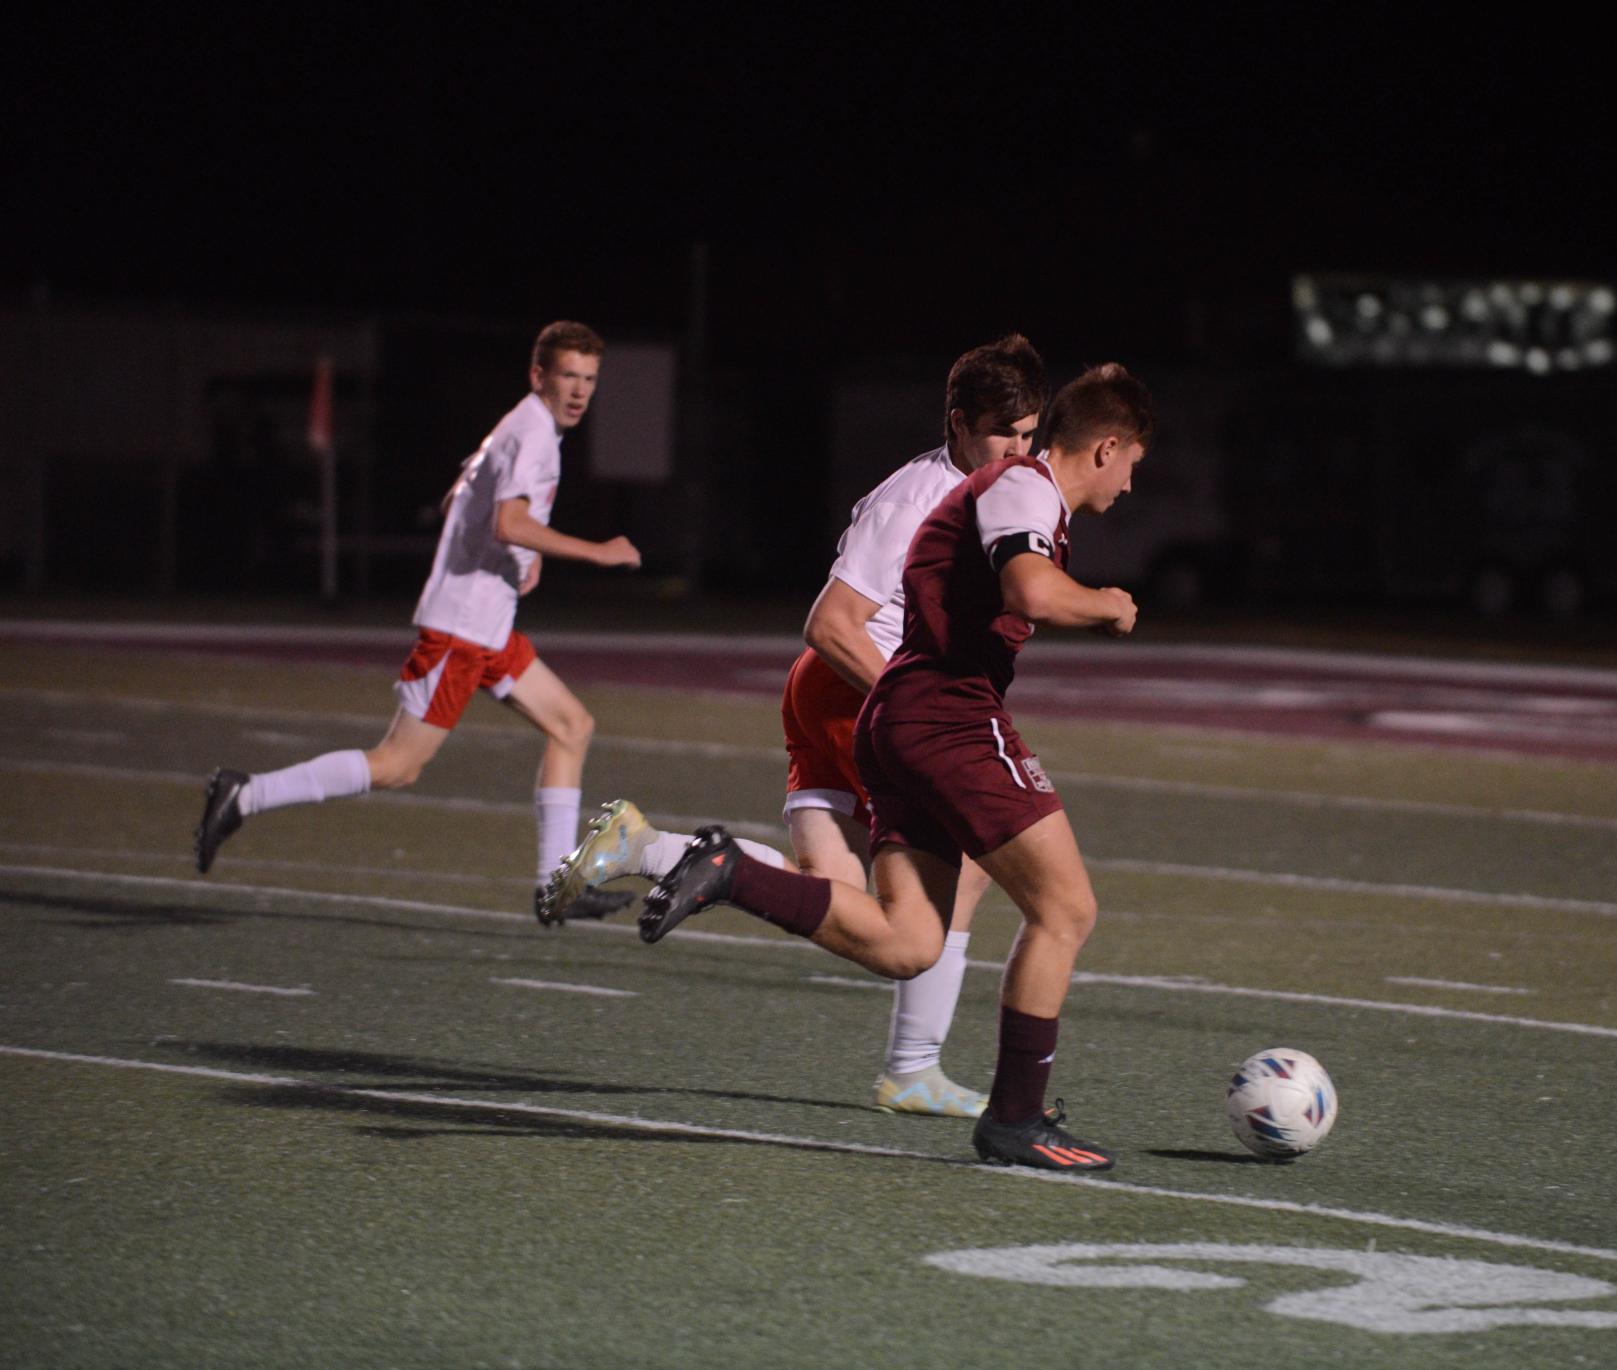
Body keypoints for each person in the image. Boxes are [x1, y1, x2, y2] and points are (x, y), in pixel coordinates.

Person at [637, 363, 1153, 1172]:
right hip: (944, 717)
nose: (1129, 486)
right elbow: (1029, 590)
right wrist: (1106, 602)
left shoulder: (1014, 490)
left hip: (904, 718)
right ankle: (1014, 1117)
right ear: (1108, 446)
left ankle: (729, 869)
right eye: (1132, 465)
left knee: (909, 940)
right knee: (1065, 908)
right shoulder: (1024, 486)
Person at [544, 334, 1048, 1119]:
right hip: (853, 688)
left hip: (825, 696)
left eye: (1028, 437)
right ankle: (912, 1069)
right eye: (1001, 435)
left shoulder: (988, 487)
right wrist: (922, 707)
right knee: (969, 865)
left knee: (835, 897)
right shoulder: (916, 498)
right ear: (956, 422)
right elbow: (831, 622)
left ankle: (642, 846)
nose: (1017, 453)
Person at [194, 320, 643, 922]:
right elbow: (506, 521)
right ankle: (244, 795)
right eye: (568, 376)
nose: (579, 390)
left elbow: (462, 494)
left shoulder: (521, 427)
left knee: (571, 725)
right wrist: (595, 551)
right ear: (539, 376)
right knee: (398, 766)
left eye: (589, 379)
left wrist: (522, 555)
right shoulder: (532, 433)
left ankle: (555, 886)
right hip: (462, 630)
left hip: (487, 628)